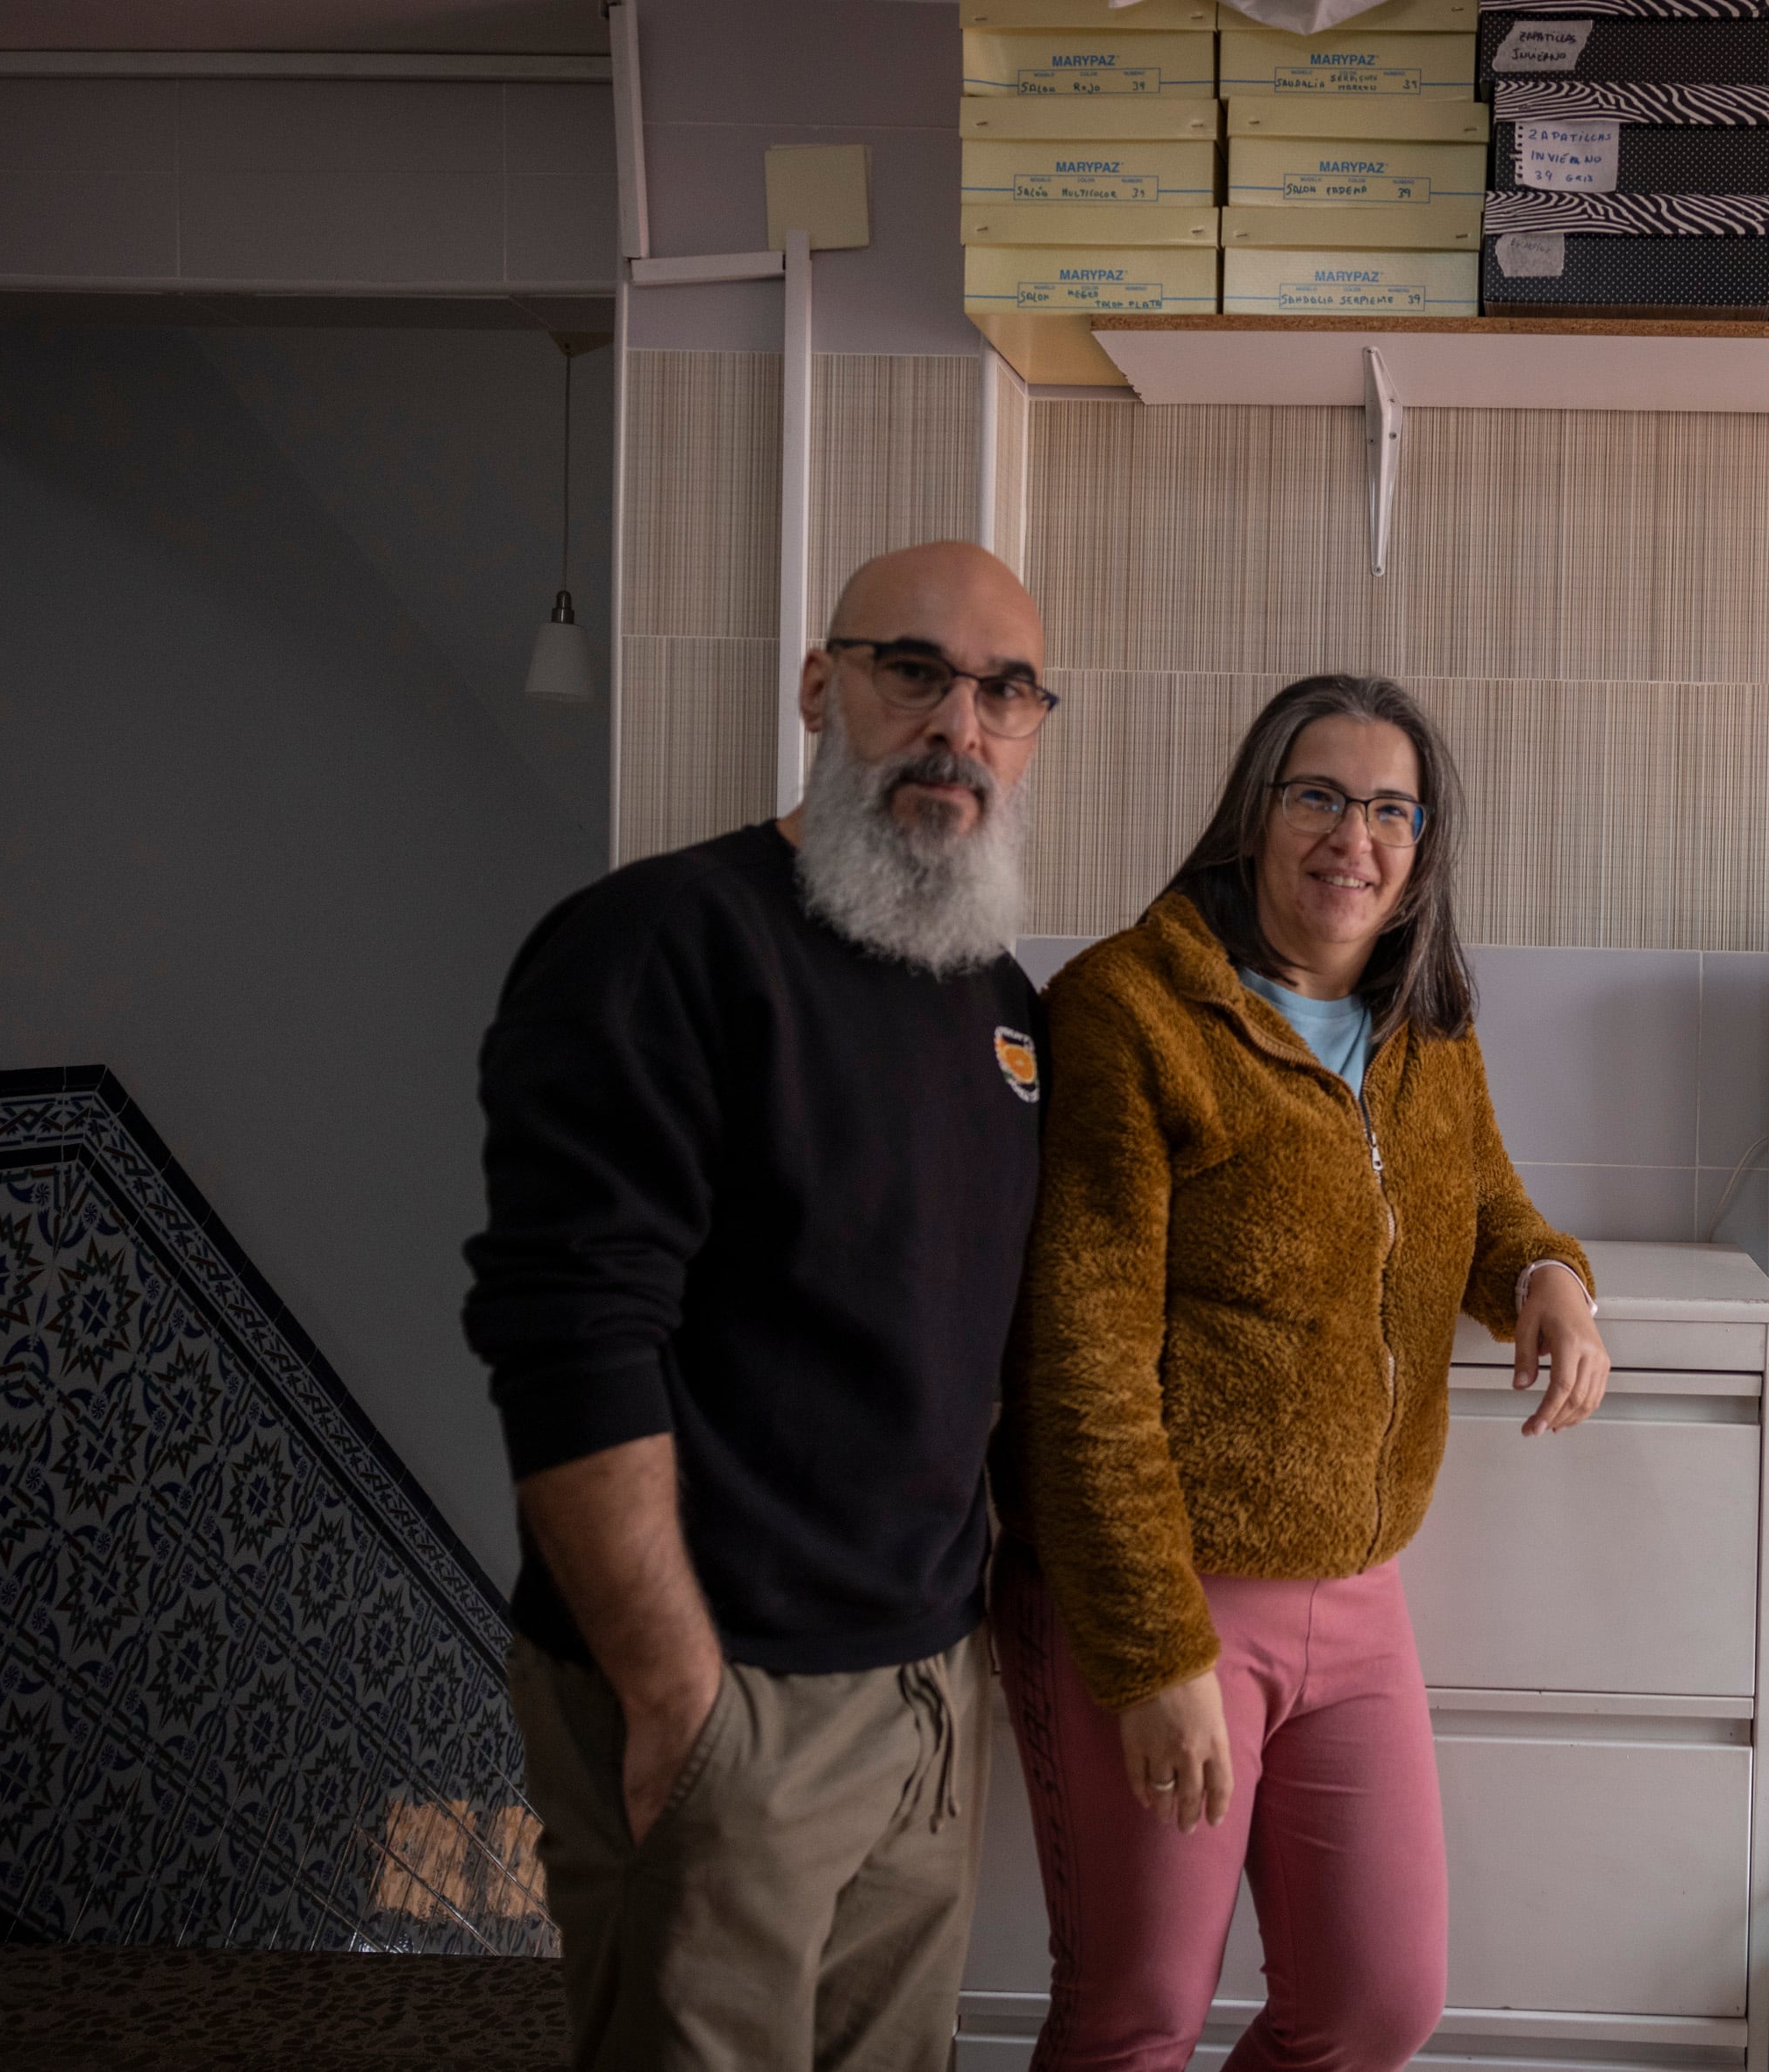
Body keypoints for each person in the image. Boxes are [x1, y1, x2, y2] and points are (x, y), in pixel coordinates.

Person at [463, 540, 1054, 2072]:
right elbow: (570, 1339)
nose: (957, 724)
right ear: (820, 683)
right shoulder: (661, 945)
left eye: (1003, 690)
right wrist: (675, 1695)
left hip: (925, 1691)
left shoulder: (1001, 1006)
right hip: (728, 1692)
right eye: (911, 669)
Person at [995, 673, 1613, 2072]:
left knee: (1377, 2003)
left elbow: (1487, 1207)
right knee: (1134, 2017)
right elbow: (1081, 1358)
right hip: (1160, 1591)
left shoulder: (1426, 1028)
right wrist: (1152, 1651)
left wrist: (1548, 1277)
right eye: (1320, 796)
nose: (1356, 837)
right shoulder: (1128, 1012)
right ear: (1255, 816)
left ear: (1423, 847)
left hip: (1357, 1589)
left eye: (1392, 809)